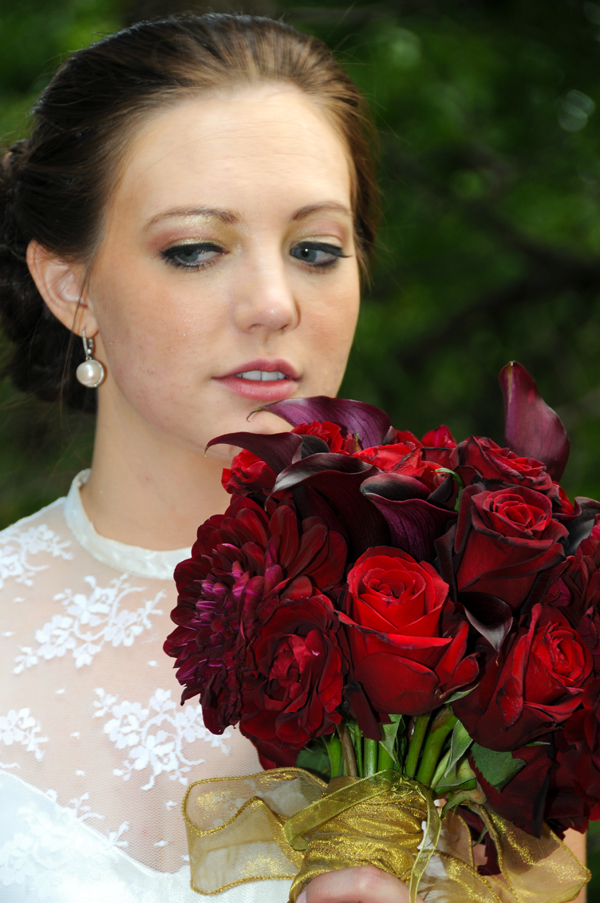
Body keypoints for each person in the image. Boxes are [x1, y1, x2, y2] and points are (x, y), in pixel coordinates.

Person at [0, 12, 586, 903]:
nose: (274, 303)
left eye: (316, 249)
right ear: (70, 286)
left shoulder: (486, 629)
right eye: (195, 248)